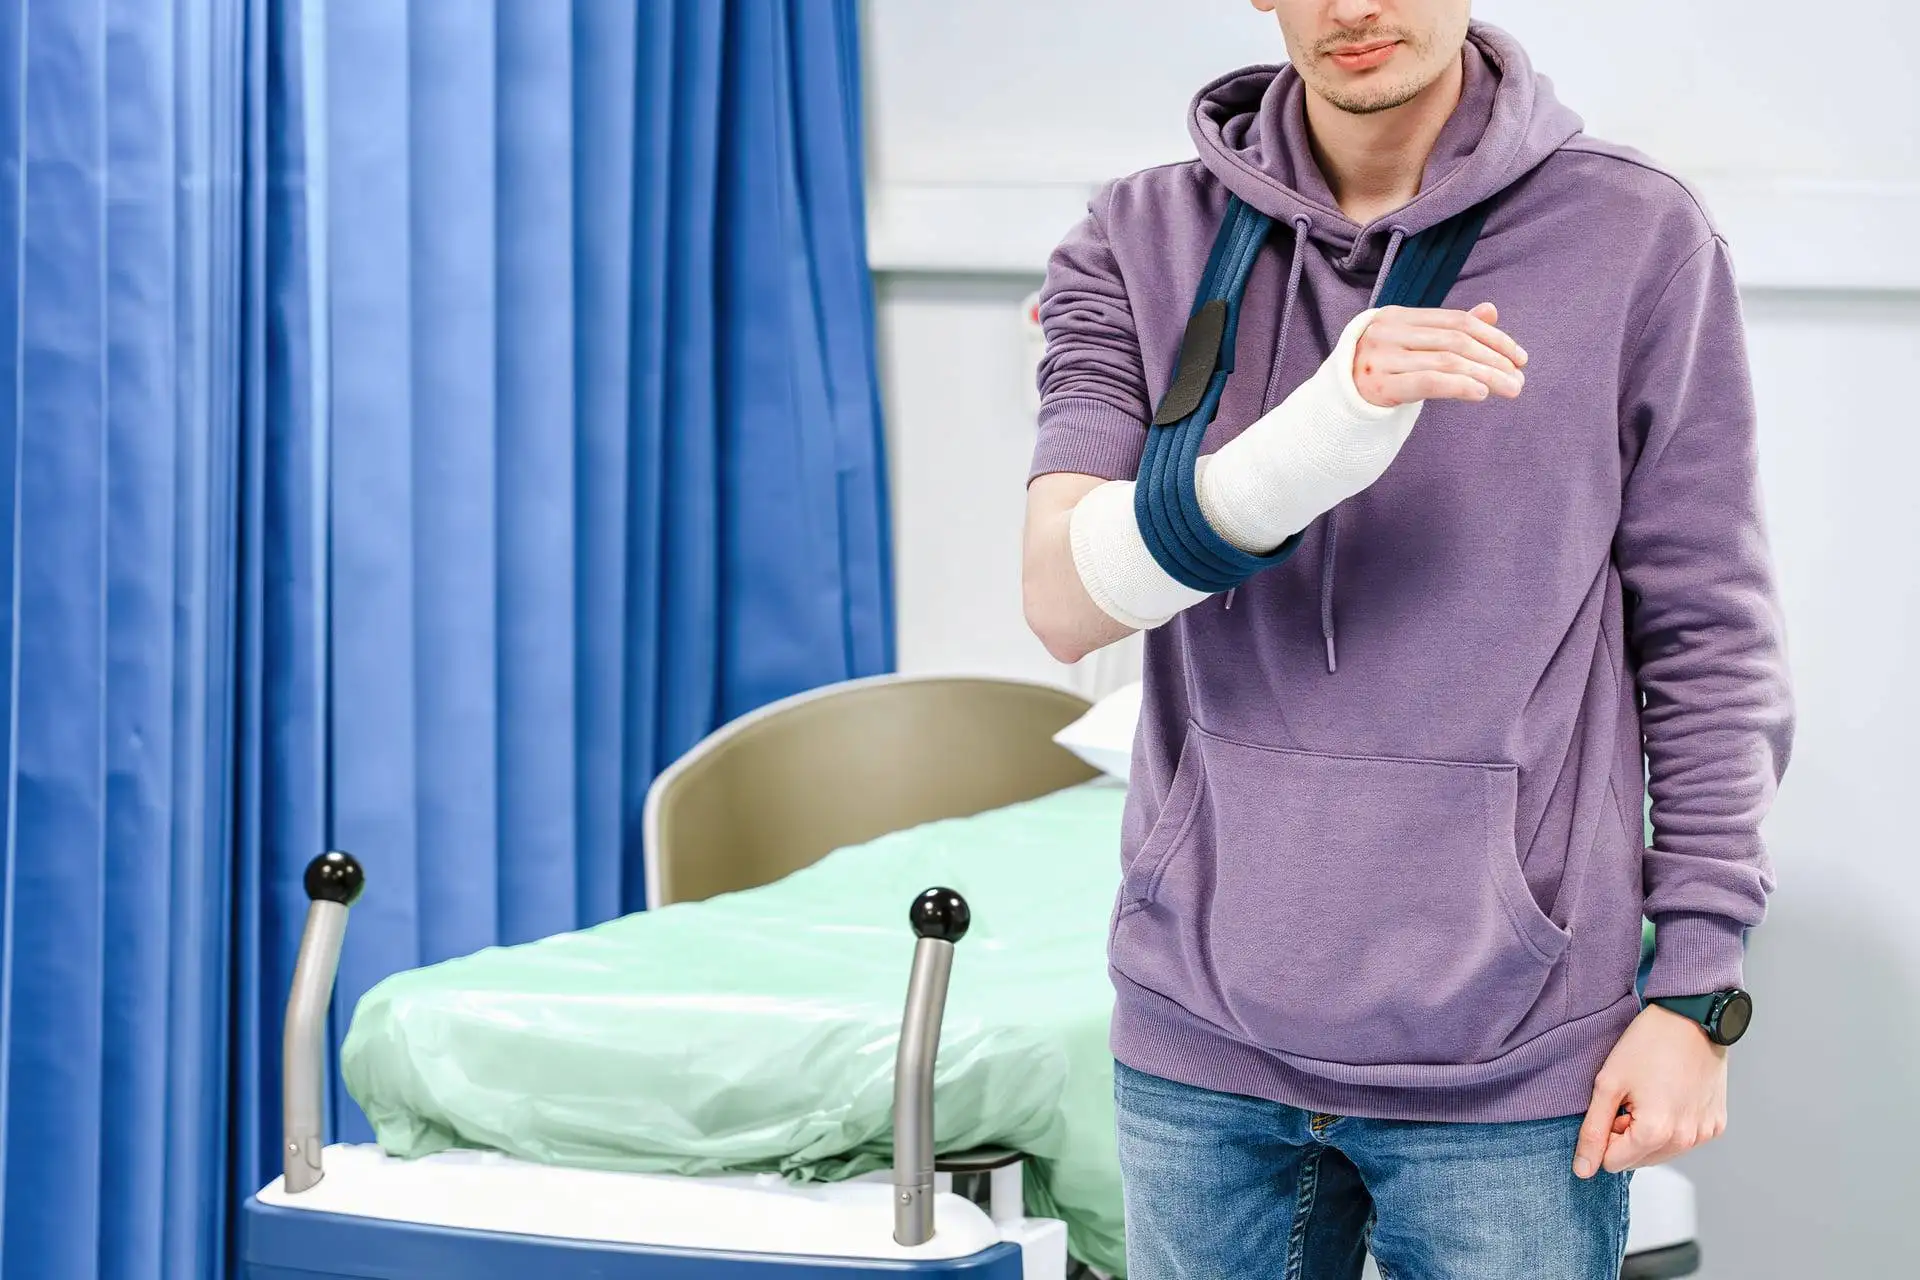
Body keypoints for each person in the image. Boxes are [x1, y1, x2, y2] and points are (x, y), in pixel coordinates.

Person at [1021, 3, 1793, 1276]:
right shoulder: (1137, 235)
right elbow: (1065, 600)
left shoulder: (1637, 236)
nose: (1357, 7)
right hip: (1198, 1040)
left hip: (1511, 1045)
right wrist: (1318, 429)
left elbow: (1709, 638)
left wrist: (1695, 990)